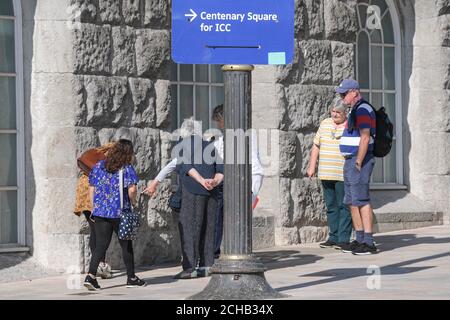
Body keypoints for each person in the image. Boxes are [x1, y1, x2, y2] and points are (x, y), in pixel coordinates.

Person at [144, 104, 264, 260]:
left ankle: (229, 254)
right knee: (217, 219)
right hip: (223, 183)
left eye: (218, 122)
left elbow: (252, 165)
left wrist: (250, 190)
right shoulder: (217, 141)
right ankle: (214, 255)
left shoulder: (242, 135)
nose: (217, 125)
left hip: (244, 181)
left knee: (230, 219)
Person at [84, 139, 146, 290]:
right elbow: (132, 190)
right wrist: (134, 202)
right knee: (126, 245)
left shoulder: (98, 166)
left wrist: (95, 207)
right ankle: (131, 278)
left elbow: (91, 190)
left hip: (100, 212)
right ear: (128, 154)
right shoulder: (126, 168)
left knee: (101, 245)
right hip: (119, 213)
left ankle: (90, 277)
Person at [336, 79, 378, 255]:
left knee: (361, 199)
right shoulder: (354, 109)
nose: (342, 97)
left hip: (359, 160)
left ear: (354, 92)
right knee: (352, 201)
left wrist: (359, 161)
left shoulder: (362, 109)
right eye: (341, 94)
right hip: (350, 159)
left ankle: (368, 242)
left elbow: (365, 137)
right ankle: (359, 238)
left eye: (344, 93)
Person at [307, 98, 352, 250]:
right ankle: (333, 237)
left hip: (342, 173)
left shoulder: (350, 125)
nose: (334, 114)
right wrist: (312, 166)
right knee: (331, 206)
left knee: (343, 206)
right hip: (325, 172)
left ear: (345, 113)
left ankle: (343, 238)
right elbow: (316, 145)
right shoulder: (325, 123)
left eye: (338, 112)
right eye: (333, 111)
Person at [74, 142, 115, 279]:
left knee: (95, 230)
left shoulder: (96, 152)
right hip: (94, 192)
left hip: (83, 190)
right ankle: (99, 265)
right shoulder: (109, 158)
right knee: (100, 232)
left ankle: (98, 265)